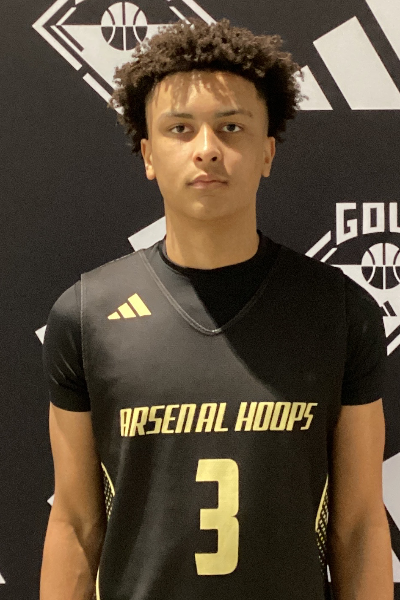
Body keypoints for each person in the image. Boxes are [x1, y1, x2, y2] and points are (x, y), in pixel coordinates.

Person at [40, 17, 394, 600]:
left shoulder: (338, 310)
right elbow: (75, 526)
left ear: (267, 151)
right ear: (148, 154)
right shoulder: (85, 314)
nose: (206, 149)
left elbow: (358, 528)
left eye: (231, 127)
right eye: (180, 128)